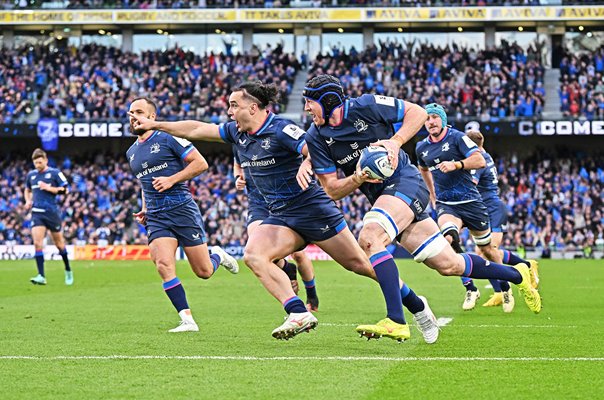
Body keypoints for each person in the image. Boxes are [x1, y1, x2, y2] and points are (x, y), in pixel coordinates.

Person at [128, 81, 417, 342]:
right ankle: (297, 311)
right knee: (254, 255)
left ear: (253, 108)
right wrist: (157, 125)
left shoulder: (281, 129)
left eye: (234, 105)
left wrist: (307, 163)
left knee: (360, 265)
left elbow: (310, 147)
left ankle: (416, 304)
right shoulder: (235, 133)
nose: (229, 111)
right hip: (279, 215)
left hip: (312, 210)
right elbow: (195, 129)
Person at [299, 75, 541, 323]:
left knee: (370, 235)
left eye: (310, 102)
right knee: (449, 265)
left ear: (328, 101)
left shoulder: (366, 105)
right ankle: (517, 274)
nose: (306, 108)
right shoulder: (315, 137)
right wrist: (359, 178)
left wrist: (395, 143)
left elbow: (417, 112)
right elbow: (332, 189)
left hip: (406, 181)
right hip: (385, 197)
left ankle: (396, 320)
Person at [127, 97, 239, 333]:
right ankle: (187, 319)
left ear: (152, 117)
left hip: (181, 209)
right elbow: (144, 183)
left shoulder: (169, 137)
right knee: (163, 263)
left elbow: (201, 163)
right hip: (157, 215)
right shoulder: (131, 152)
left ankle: (217, 254)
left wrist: (172, 179)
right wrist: (145, 207)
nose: (133, 116)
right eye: (130, 112)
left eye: (138, 112)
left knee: (204, 271)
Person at [415, 103, 540, 311]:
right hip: (448, 206)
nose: (431, 122)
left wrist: (456, 165)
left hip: (473, 204)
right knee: (449, 240)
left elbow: (479, 160)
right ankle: (471, 288)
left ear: (442, 119)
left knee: (488, 250)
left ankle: (509, 284)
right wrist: (433, 195)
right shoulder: (421, 147)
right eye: (427, 119)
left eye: (434, 118)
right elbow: (423, 168)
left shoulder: (457, 138)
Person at [465, 129, 539, 311]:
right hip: (485, 209)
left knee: (488, 251)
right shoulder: (485, 155)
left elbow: (470, 185)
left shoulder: (478, 161)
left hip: (493, 209)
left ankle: (507, 286)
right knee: (485, 251)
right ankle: (510, 280)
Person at [233, 157, 320, 312]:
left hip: (284, 203)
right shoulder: (239, 139)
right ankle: (287, 268)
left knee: (298, 255)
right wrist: (238, 178)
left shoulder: (275, 138)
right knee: (255, 249)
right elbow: (237, 164)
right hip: (258, 205)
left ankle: (312, 296)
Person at [25, 148, 73, 286]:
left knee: (59, 245)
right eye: (35, 163)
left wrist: (49, 188)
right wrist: (28, 200)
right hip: (37, 213)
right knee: (37, 243)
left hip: (51, 213)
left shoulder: (55, 173)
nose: (37, 165)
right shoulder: (31, 175)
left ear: (45, 160)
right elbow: (27, 190)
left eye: (40, 162)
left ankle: (68, 269)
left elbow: (65, 189)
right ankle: (41, 275)